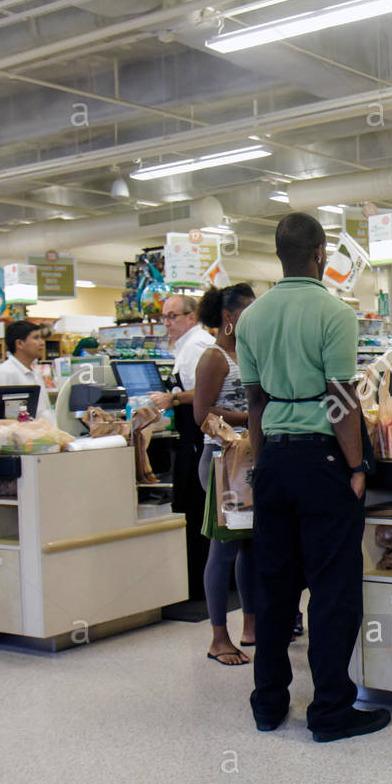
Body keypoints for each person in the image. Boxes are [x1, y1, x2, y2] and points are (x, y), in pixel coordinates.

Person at [236, 212, 390, 742]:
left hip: (275, 460)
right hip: (323, 461)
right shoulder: (334, 312)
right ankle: (329, 710)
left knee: (275, 586)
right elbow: (342, 400)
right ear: (321, 254)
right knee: (332, 589)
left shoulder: (252, 318)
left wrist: (261, 465)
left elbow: (254, 401)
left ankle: (268, 703)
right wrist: (355, 467)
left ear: (279, 255)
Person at [192, 283, 258, 667]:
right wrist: (250, 416)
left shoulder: (247, 354)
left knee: (249, 544)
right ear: (229, 316)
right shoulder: (214, 358)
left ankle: (250, 627)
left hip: (246, 461)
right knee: (224, 548)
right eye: (247, 311)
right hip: (220, 463)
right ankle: (219, 638)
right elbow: (202, 415)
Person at [151, 294, 215, 606]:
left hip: (198, 438)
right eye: (164, 317)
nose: (167, 323)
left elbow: (203, 393)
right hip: (192, 437)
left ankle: (199, 585)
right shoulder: (188, 345)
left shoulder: (196, 345)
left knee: (196, 505)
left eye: (173, 316)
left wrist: (172, 399)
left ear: (192, 317)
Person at [0, 320, 51, 420]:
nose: (42, 343)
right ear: (19, 344)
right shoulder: (5, 373)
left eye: (41, 338)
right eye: (36, 338)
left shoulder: (35, 373)